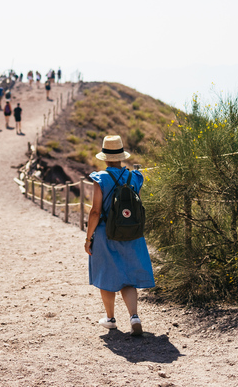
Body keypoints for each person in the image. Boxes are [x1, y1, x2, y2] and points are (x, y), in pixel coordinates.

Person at [84, 135, 154, 336]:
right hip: (131, 233)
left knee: (106, 275)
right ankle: (134, 317)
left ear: (105, 157)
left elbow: (95, 212)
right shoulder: (134, 177)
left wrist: (88, 239)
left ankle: (111, 319)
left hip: (107, 234)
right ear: (122, 156)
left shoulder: (101, 178)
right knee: (128, 277)